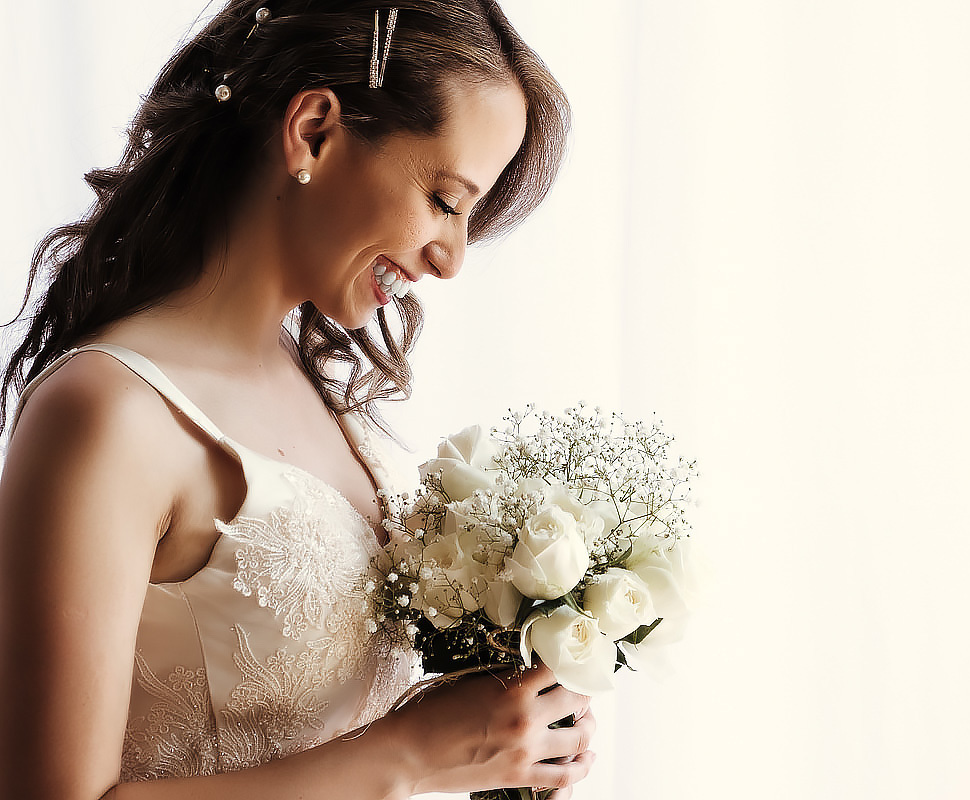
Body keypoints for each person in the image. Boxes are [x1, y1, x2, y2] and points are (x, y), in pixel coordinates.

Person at [0, 2, 595, 798]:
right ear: (314, 130)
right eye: (446, 201)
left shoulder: (328, 401)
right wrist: (409, 755)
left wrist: (495, 741)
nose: (451, 259)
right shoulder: (107, 414)